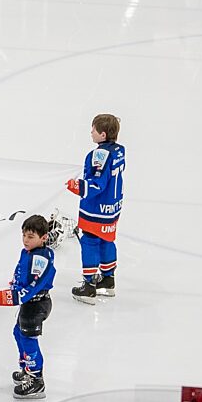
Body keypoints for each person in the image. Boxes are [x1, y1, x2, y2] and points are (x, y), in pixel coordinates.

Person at [0, 215, 56, 399]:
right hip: (29, 303)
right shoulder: (27, 252)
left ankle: (37, 380)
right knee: (18, 333)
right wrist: (15, 284)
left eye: (30, 236)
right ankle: (27, 369)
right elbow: (21, 272)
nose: (25, 240)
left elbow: (33, 287)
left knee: (28, 339)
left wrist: (8, 296)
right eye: (24, 235)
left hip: (37, 304)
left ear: (43, 238)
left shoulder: (41, 260)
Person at [67, 114, 126, 304]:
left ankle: (89, 286)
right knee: (107, 240)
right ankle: (108, 281)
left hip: (96, 210)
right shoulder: (119, 150)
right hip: (112, 206)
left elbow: (98, 183)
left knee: (90, 242)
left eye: (93, 129)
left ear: (102, 134)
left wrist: (78, 187)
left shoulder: (99, 155)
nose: (90, 132)